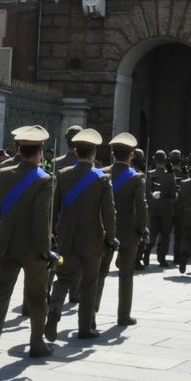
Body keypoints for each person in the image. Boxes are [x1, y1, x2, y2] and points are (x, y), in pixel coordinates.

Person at [0, 125, 55, 364]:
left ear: (18, 149)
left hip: (5, 244)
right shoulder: (44, 180)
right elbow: (42, 219)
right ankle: (37, 343)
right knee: (37, 297)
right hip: (34, 248)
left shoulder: (3, 173)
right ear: (40, 152)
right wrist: (45, 250)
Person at [47, 128, 116, 340]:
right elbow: (108, 213)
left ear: (75, 152)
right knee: (89, 283)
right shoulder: (102, 179)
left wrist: (54, 234)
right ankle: (85, 328)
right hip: (92, 239)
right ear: (94, 153)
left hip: (67, 237)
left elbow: (54, 208)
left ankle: (54, 309)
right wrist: (110, 237)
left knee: (64, 279)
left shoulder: (63, 175)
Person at [100, 131, 148, 326]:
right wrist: (143, 229)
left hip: (104, 230)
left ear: (112, 154)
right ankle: (123, 316)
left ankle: (91, 313)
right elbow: (142, 206)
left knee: (100, 272)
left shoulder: (102, 173)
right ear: (132, 156)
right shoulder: (136, 178)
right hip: (129, 231)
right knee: (126, 275)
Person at [145, 149, 176, 270]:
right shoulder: (169, 175)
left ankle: (147, 251)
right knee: (165, 233)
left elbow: (146, 192)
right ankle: (161, 258)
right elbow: (174, 195)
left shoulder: (149, 174)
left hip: (152, 206)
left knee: (152, 231)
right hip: (166, 206)